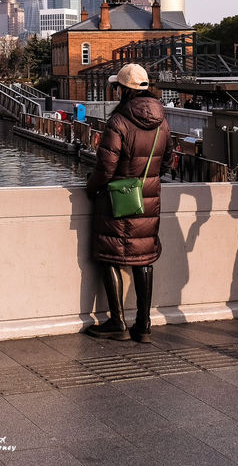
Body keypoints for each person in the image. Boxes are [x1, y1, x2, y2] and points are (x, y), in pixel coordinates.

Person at [86, 63, 172, 342]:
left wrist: (92, 188)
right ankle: (144, 325)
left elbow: (105, 168)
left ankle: (117, 321)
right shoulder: (162, 121)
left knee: (108, 254)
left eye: (117, 87)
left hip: (120, 199)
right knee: (144, 259)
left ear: (123, 90)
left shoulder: (118, 122)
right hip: (149, 201)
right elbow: (170, 161)